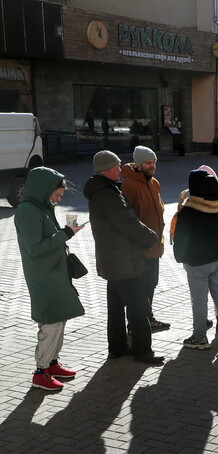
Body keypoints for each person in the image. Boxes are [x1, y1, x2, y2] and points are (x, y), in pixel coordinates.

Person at [83, 150, 163, 364]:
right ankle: (143, 351)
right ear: (108, 169)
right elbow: (128, 222)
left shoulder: (104, 190)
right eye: (118, 166)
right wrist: (150, 237)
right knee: (139, 307)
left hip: (113, 261)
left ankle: (117, 348)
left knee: (116, 307)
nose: (120, 169)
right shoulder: (107, 195)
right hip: (123, 261)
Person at [16, 167, 85, 391]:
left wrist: (65, 233)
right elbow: (35, 248)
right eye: (56, 194)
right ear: (43, 189)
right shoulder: (29, 211)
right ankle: (41, 372)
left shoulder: (42, 207)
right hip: (44, 276)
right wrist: (65, 234)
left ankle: (52, 363)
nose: (59, 198)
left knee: (60, 318)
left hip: (54, 272)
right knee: (51, 321)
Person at [173, 169, 218, 351]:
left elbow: (180, 239)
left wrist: (182, 258)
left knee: (199, 301)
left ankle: (200, 337)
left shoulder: (188, 212)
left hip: (196, 263)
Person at [120, 146, 170, 333]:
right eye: (149, 163)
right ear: (139, 164)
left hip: (155, 246)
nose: (152, 166)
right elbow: (128, 219)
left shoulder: (154, 183)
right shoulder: (129, 185)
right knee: (139, 288)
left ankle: (147, 318)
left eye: (154, 162)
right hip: (139, 248)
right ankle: (135, 324)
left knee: (151, 284)